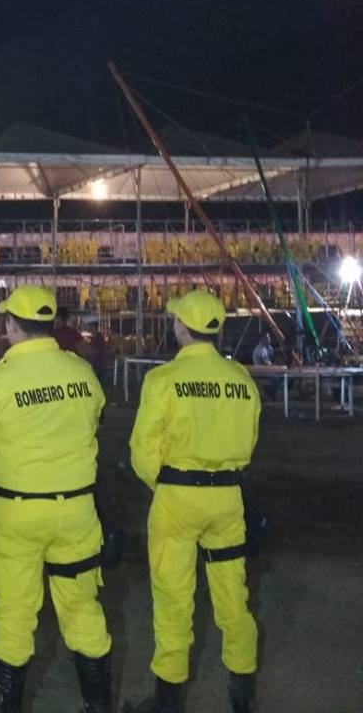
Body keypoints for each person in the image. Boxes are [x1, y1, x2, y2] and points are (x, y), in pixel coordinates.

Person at [0, 285, 112, 713]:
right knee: (83, 609)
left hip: (18, 511)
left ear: (11, 325)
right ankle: (98, 706)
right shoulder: (81, 372)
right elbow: (93, 425)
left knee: (13, 615)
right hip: (78, 511)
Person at [125, 290, 261, 713]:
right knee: (233, 598)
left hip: (177, 497)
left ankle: (168, 699)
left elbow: (142, 450)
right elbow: (249, 443)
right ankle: (241, 695)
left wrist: (165, 485)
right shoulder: (241, 379)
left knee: (173, 598)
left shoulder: (162, 381)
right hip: (228, 498)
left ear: (182, 327)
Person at [84, 319, 110, 386]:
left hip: (98, 369)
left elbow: (92, 352)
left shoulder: (98, 339)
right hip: (97, 367)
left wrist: (84, 347)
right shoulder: (94, 338)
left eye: (87, 326)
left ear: (92, 326)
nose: (86, 328)